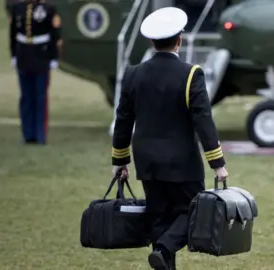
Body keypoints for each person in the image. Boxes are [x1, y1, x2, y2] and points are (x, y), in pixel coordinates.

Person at [111, 7, 229, 270]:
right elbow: (203, 121)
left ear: (152, 42)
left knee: (159, 219)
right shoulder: (190, 74)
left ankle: (163, 256)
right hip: (182, 162)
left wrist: (120, 160)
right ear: (180, 39)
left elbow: (123, 120)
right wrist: (217, 163)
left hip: (147, 161)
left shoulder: (133, 74)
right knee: (195, 211)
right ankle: (164, 249)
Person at [9, 0, 62, 145]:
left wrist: (53, 57)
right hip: (23, 55)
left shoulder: (48, 8)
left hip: (41, 55)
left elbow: (55, 33)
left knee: (40, 97)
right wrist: (14, 54)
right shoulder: (17, 7)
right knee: (26, 97)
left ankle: (40, 134)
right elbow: (13, 32)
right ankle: (27, 134)